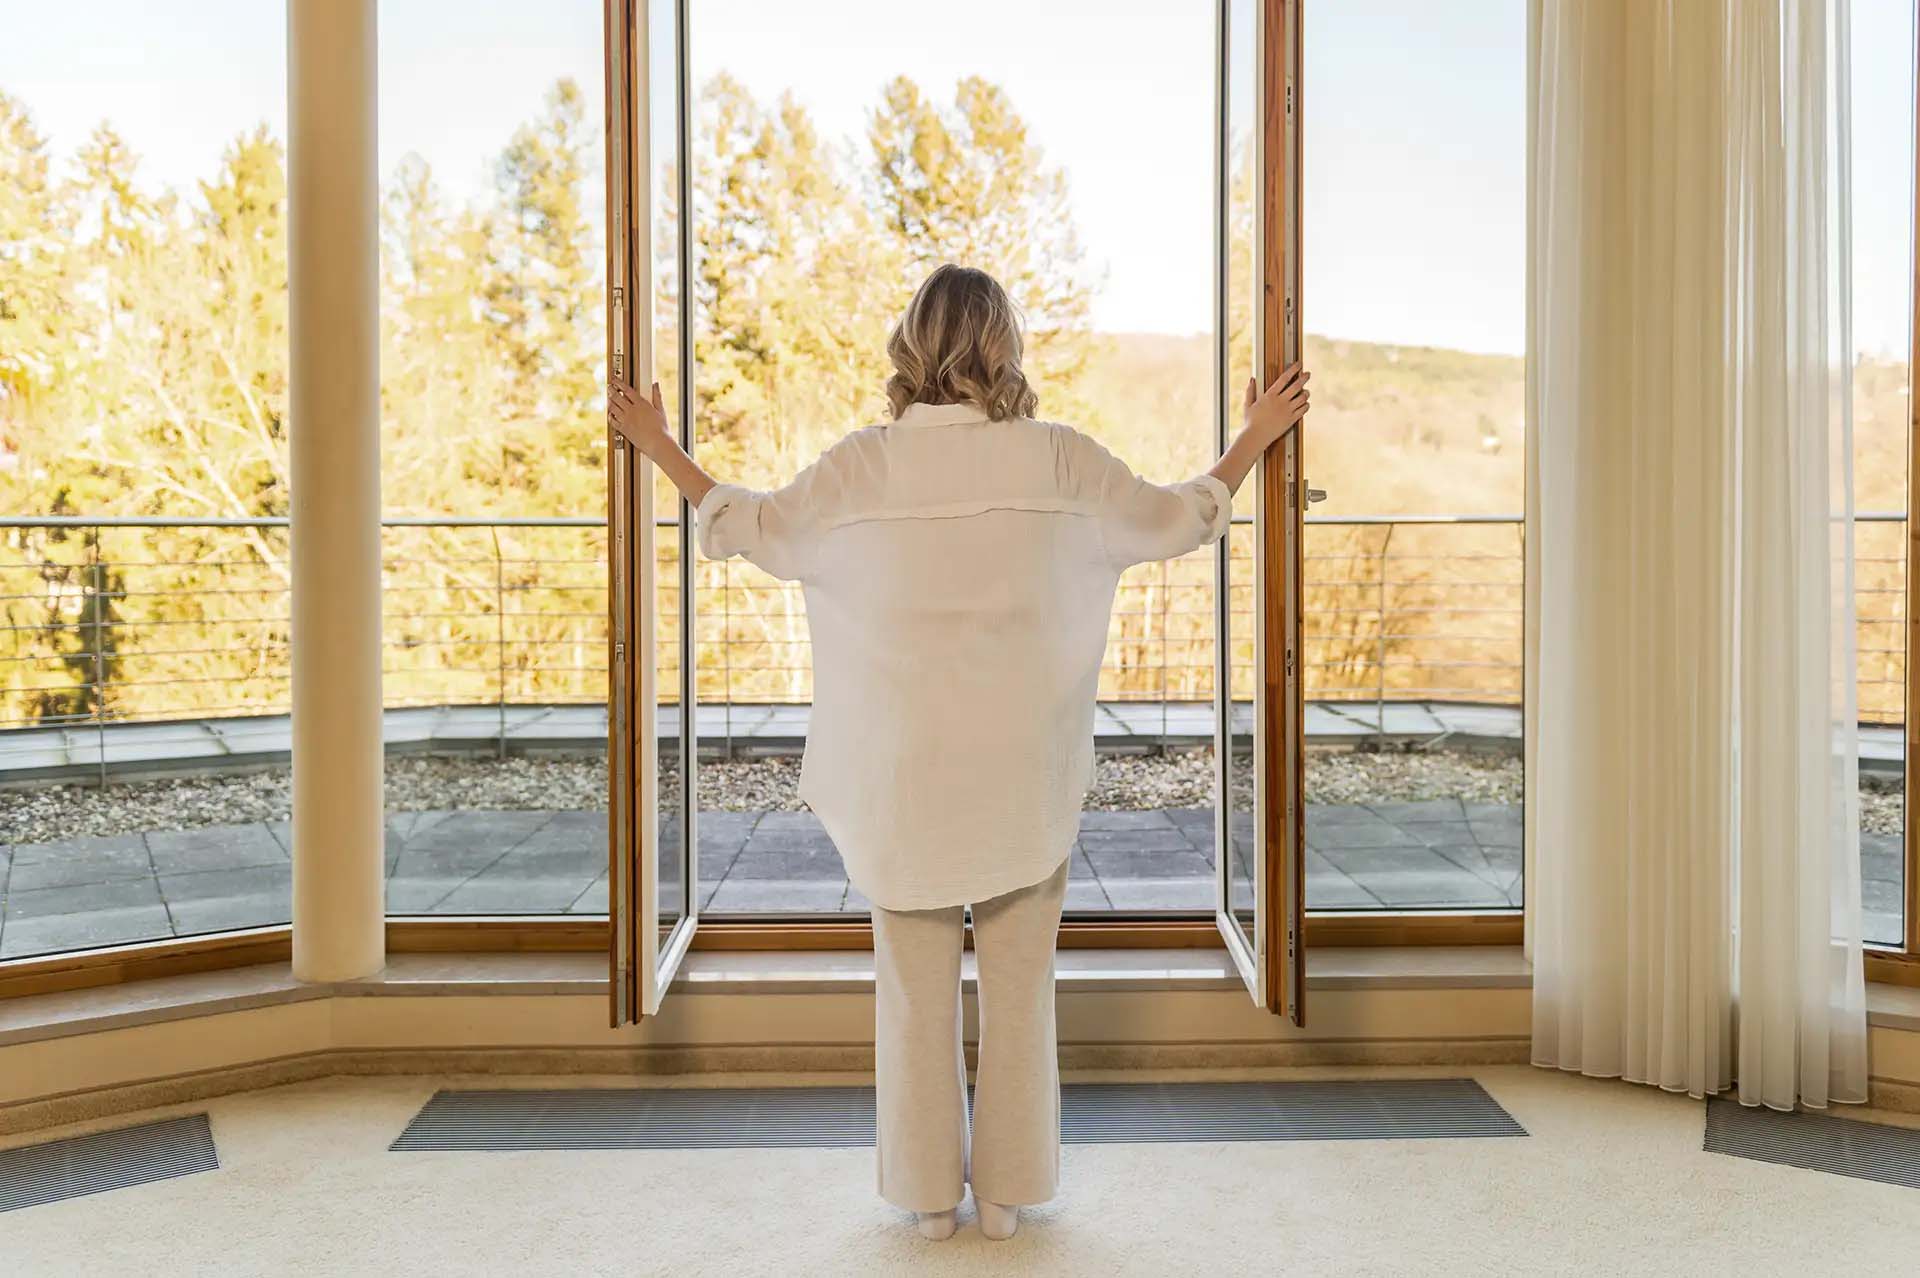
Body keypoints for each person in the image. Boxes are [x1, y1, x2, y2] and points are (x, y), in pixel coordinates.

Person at [607, 264, 1310, 1242]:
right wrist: (1251, 441)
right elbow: (1172, 519)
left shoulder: (862, 465)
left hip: (902, 778)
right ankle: (1008, 1198)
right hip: (1020, 773)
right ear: (1003, 344)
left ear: (912, 347)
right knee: (1022, 988)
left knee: (911, 991)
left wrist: (660, 448)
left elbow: (752, 527)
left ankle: (928, 1198)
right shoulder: (1060, 459)